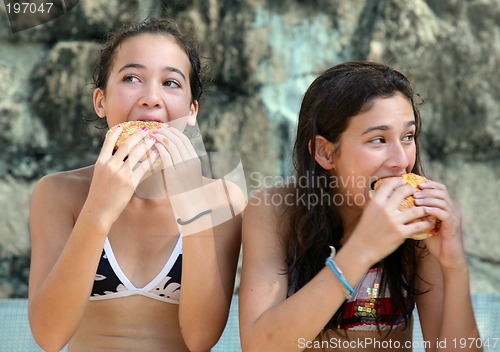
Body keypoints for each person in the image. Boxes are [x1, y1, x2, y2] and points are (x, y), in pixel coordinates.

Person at [28, 18, 245, 352]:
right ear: (100, 101)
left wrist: (192, 206)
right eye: (132, 78)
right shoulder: (59, 193)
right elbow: (49, 336)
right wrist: (99, 209)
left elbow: (201, 338)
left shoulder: (222, 199)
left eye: (171, 82)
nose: (151, 98)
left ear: (191, 112)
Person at [239, 61, 482, 351]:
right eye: (378, 140)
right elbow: (259, 346)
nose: (400, 160)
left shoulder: (420, 225)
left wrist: (454, 266)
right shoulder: (274, 212)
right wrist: (362, 250)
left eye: (407, 137)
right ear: (325, 152)